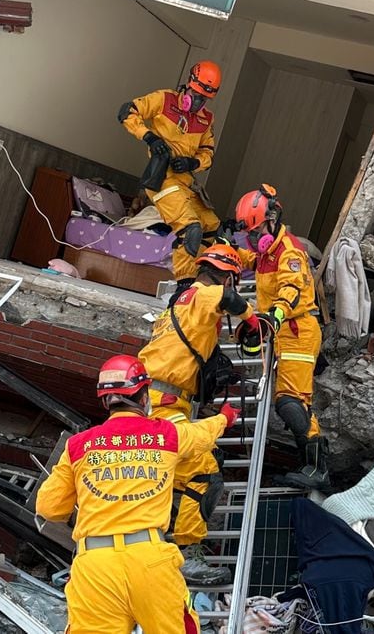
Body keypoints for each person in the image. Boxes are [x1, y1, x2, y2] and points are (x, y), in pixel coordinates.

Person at [36, 355, 241, 634]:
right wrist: (224, 418)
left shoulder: (78, 446)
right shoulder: (166, 436)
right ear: (144, 396)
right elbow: (201, 433)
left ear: (106, 401)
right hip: (149, 560)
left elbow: (49, 509)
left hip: (95, 566)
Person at [137, 244, 265, 586]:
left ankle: (161, 544)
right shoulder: (204, 293)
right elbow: (229, 300)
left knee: (176, 476)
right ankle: (187, 554)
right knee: (203, 470)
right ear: (226, 276)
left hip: (156, 399)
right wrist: (252, 321)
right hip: (163, 403)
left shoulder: (178, 303)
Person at [231, 184, 329, 490]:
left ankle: (318, 469)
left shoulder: (290, 252)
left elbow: (292, 289)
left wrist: (274, 315)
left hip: (297, 330)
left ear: (273, 219)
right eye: (251, 232)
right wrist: (223, 251)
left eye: (257, 230)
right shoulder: (266, 253)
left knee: (291, 403)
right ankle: (312, 466)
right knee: (292, 401)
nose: (255, 238)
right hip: (285, 333)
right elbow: (248, 259)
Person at [120, 61, 223, 295]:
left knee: (211, 226)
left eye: (203, 99)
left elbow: (208, 153)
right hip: (162, 180)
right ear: (188, 86)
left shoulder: (206, 119)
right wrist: (149, 138)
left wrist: (193, 163)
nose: (197, 103)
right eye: (195, 96)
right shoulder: (164, 99)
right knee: (191, 228)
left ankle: (202, 279)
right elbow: (126, 111)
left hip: (186, 182)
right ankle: (184, 285)